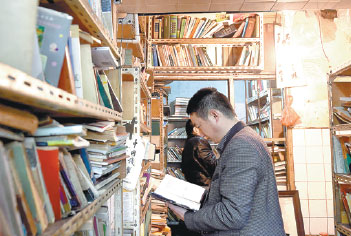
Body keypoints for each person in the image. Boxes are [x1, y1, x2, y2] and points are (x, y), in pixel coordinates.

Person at [168, 87, 285, 236]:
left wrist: (187, 217)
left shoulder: (242, 145)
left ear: (215, 115)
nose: (201, 134)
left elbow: (233, 214)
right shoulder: (241, 139)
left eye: (199, 126)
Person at [181, 119, 217, 187]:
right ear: (195, 129)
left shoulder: (190, 142)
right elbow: (214, 165)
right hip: (204, 184)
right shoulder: (199, 142)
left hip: (195, 183)